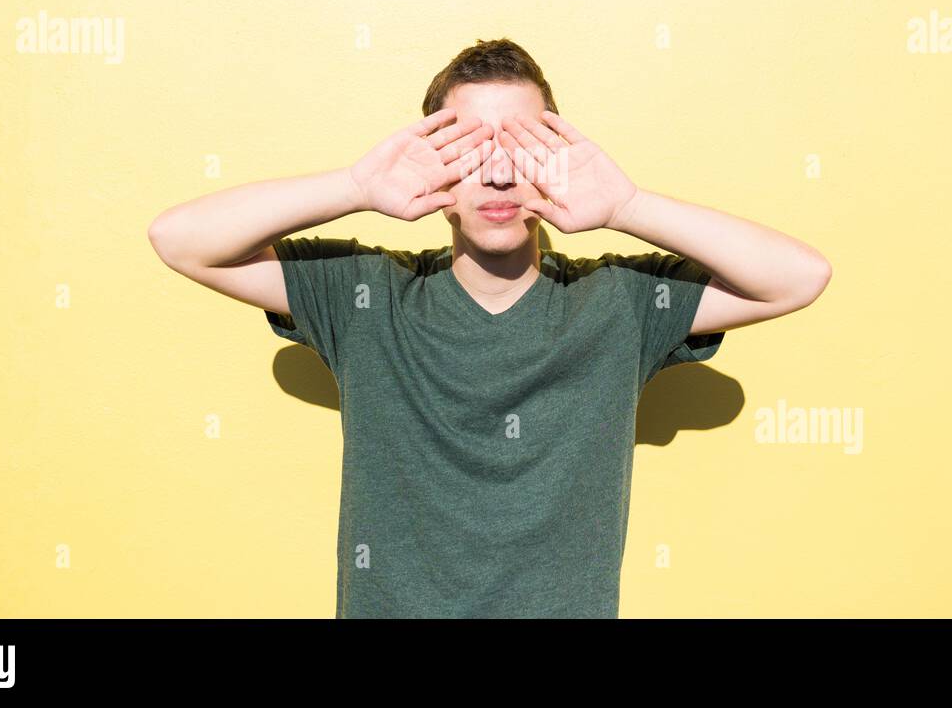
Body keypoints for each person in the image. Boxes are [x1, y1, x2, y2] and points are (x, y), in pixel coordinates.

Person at [147, 37, 831, 617]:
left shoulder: (618, 301)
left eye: (524, 146)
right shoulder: (364, 295)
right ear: (430, 156)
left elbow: (799, 276)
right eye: (471, 147)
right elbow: (180, 239)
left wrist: (626, 204)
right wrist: (356, 187)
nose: (500, 172)